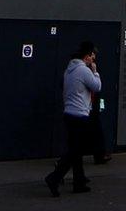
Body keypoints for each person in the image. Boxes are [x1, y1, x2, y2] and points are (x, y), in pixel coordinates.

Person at [46, 41, 103, 196]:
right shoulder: (84, 71)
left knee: (76, 150)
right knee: (76, 150)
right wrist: (95, 72)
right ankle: (54, 177)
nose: (94, 58)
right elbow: (97, 87)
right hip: (80, 115)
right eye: (92, 56)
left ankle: (79, 181)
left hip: (69, 114)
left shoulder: (68, 71)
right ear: (87, 57)